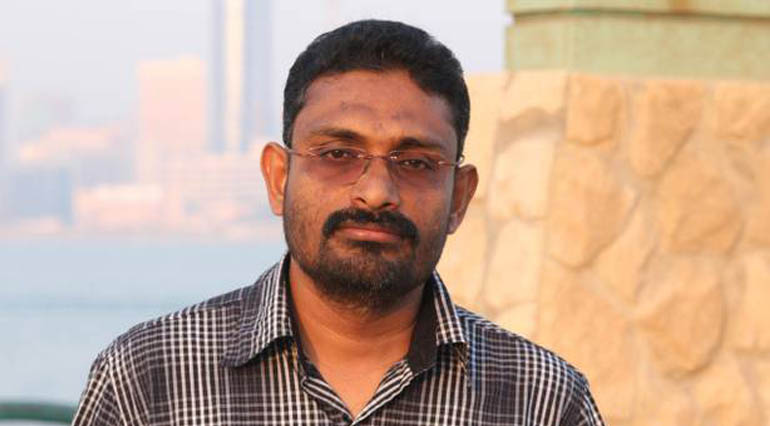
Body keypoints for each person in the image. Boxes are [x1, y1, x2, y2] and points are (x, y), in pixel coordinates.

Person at [73, 19, 605, 425]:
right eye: (338, 154)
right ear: (278, 177)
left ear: (459, 197)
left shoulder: (541, 401)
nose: (376, 192)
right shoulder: (150, 380)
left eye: (415, 162)